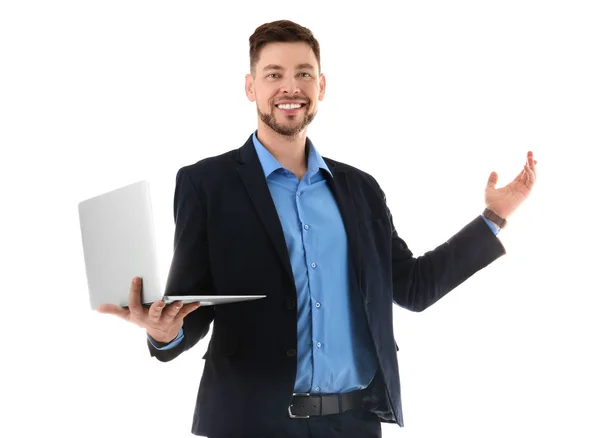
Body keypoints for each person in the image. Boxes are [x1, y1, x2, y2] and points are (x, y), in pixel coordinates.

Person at [97, 19, 537, 438]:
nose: (290, 87)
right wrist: (164, 334)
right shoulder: (206, 184)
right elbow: (192, 305)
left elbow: (414, 287)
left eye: (303, 73)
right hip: (248, 422)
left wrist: (493, 219)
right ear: (251, 87)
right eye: (273, 74)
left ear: (321, 86)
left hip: (353, 423)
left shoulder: (361, 189)